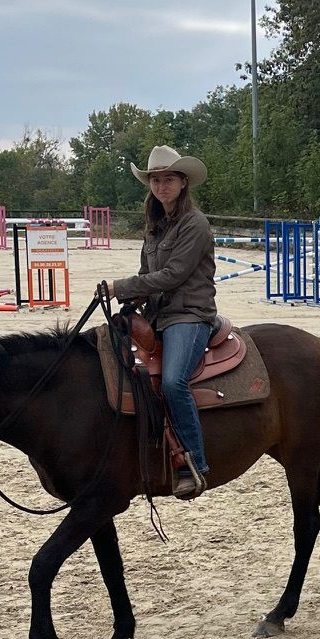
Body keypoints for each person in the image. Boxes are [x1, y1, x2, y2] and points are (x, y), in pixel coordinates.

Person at [103, 144, 217, 498]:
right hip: (158, 316)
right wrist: (130, 300)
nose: (161, 185)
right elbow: (146, 273)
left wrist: (118, 286)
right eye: (155, 179)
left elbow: (172, 274)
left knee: (172, 382)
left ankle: (195, 462)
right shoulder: (154, 227)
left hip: (189, 316)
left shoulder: (194, 224)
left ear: (183, 182)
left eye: (169, 178)